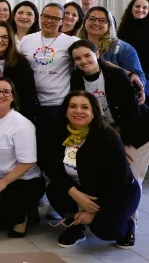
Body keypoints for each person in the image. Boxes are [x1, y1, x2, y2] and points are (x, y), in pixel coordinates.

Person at [44, 91, 140, 249]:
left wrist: (93, 211)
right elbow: (52, 167)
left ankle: (127, 225)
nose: (78, 111)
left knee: (104, 230)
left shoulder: (108, 138)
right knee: (55, 190)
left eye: (84, 107)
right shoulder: (58, 133)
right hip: (81, 187)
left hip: (118, 192)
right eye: (73, 106)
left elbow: (117, 181)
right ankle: (77, 228)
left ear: (94, 112)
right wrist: (75, 194)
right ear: (66, 111)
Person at [69, 40, 149, 191]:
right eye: (77, 58)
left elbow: (131, 113)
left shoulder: (116, 75)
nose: (83, 61)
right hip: (110, 132)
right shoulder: (77, 78)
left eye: (87, 55)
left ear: (97, 54)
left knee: (130, 180)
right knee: (110, 178)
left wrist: (122, 145)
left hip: (138, 133)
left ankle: (129, 215)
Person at [0, 77, 44, 237]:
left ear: (13, 97)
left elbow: (28, 162)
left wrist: (4, 181)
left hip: (23, 181)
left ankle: (24, 216)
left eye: (6, 92)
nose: (1, 95)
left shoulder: (21, 125)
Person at [20, 3, 77, 166]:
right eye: (46, 16)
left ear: (62, 20)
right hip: (31, 104)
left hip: (57, 105)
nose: (49, 21)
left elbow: (93, 59)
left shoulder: (70, 41)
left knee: (55, 148)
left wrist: (129, 73)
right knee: (33, 146)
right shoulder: (27, 40)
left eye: (55, 18)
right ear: (40, 17)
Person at [77, 6, 146, 99]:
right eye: (92, 19)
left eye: (102, 20)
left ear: (109, 24)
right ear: (85, 21)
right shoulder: (75, 45)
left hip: (116, 101)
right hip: (81, 101)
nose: (96, 23)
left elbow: (139, 78)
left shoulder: (123, 48)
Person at [0, 21, 37, 122]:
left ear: (10, 40)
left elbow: (28, 97)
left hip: (15, 117)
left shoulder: (21, 63)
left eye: (5, 37)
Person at [118, 0, 149, 81]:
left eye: (145, 7)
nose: (140, 10)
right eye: (137, 6)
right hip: (126, 69)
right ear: (131, 7)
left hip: (145, 73)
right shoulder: (124, 25)